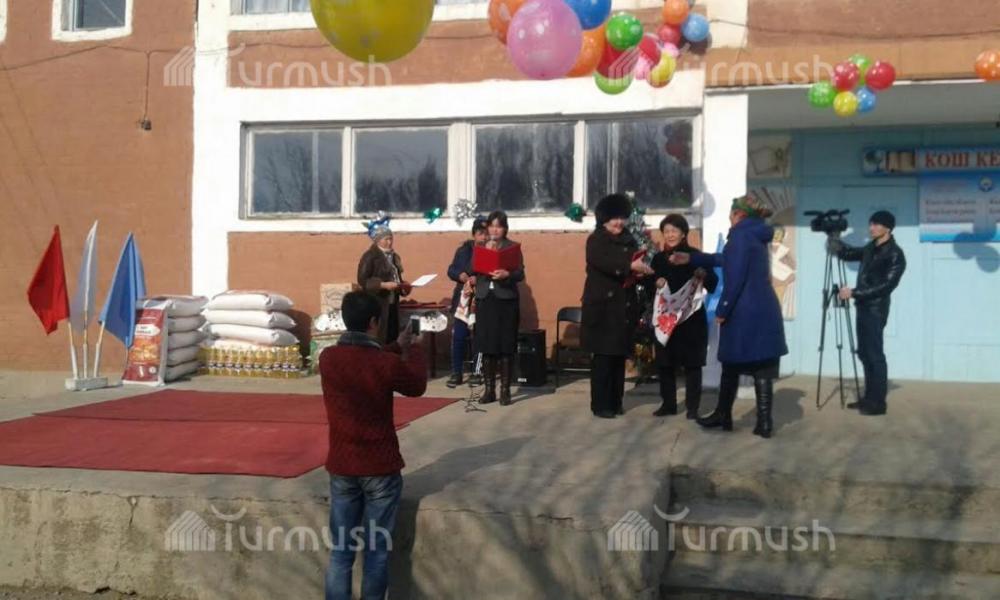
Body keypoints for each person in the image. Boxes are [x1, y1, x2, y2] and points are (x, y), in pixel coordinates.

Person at [319, 291, 427, 600]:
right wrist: (415, 349)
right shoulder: (384, 363)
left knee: (341, 552)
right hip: (380, 467)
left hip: (342, 466)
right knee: (376, 553)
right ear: (373, 322)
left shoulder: (328, 359)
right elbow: (416, 385)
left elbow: (363, 361)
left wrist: (395, 346)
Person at [670, 195, 787, 438]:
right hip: (765, 308)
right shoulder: (756, 235)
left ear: (738, 215)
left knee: (731, 364)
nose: (729, 221)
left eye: (730, 216)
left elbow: (735, 280)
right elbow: (725, 259)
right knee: (762, 367)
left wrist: (722, 310)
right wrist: (692, 257)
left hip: (744, 311)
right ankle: (764, 423)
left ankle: (723, 415)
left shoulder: (740, 236)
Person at [581, 193, 655, 419]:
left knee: (617, 357)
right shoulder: (596, 240)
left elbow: (632, 265)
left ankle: (616, 401)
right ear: (604, 219)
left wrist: (641, 272)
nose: (619, 223)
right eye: (614, 218)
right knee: (603, 358)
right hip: (602, 308)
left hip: (623, 307)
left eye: (622, 218)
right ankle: (601, 404)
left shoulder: (629, 240)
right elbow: (603, 262)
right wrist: (629, 266)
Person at [829, 210, 906, 416]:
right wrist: (833, 237)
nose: (871, 228)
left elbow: (886, 286)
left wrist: (854, 293)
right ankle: (869, 398)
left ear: (887, 228)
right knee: (864, 354)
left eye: (876, 224)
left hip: (875, 310)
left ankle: (878, 403)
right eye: (871, 223)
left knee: (875, 355)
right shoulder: (871, 248)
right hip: (863, 307)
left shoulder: (895, 254)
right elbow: (849, 254)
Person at [649, 214, 718, 419]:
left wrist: (704, 274)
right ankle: (668, 404)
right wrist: (656, 282)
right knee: (665, 363)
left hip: (691, 318)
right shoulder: (658, 259)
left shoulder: (696, 256)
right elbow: (648, 286)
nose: (670, 235)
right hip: (667, 319)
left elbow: (713, 284)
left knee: (693, 364)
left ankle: (692, 408)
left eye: (674, 231)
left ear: (683, 234)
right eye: (666, 231)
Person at [472, 210, 525, 406]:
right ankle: (489, 390)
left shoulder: (512, 247)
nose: (495, 230)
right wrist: (486, 253)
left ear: (505, 229)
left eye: (499, 226)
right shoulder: (480, 246)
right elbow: (472, 268)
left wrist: (507, 274)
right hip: (486, 299)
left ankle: (505, 390)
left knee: (505, 345)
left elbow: (520, 273)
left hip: (506, 301)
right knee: (487, 345)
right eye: (492, 226)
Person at [446, 217, 489, 388]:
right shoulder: (464, 250)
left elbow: (492, 274)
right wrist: (460, 275)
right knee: (459, 336)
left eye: (486, 234)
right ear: (474, 234)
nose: (483, 237)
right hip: (463, 300)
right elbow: (451, 269)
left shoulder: (492, 251)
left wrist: (479, 278)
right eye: (480, 234)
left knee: (480, 337)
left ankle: (477, 371)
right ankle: (456, 372)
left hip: (481, 299)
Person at [357, 216, 411, 344]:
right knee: (380, 336)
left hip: (393, 303)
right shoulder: (370, 256)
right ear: (378, 240)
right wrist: (382, 285)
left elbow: (397, 278)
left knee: (392, 334)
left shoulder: (394, 257)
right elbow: (362, 280)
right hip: (378, 303)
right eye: (386, 239)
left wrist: (403, 288)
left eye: (391, 239)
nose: (389, 242)